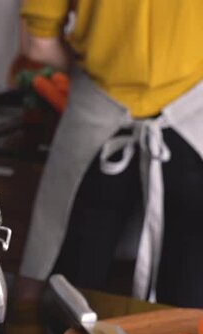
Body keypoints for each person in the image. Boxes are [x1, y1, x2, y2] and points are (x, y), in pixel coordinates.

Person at [18, 0, 203, 307]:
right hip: (194, 134)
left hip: (97, 126)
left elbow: (38, 45)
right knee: (187, 314)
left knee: (74, 300)